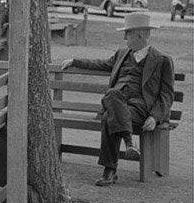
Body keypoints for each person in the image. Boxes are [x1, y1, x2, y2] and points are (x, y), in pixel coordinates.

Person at [60, 11, 174, 187]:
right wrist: (75, 60)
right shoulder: (122, 54)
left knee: (109, 112)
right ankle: (129, 143)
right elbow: (100, 64)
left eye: (127, 33)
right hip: (117, 103)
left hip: (139, 108)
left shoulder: (162, 60)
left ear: (140, 34)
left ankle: (110, 171)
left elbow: (167, 94)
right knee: (113, 97)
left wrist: (154, 117)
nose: (124, 38)